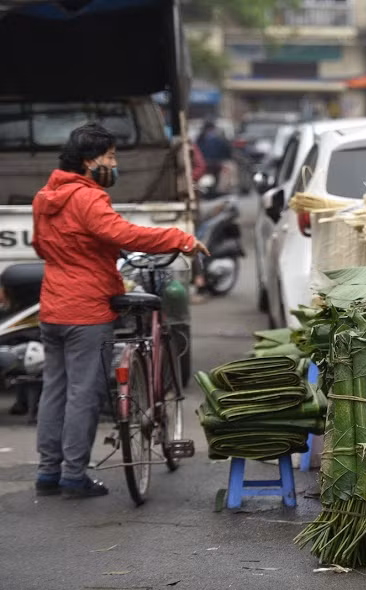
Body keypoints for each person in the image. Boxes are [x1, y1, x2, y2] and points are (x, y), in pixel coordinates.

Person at [32, 123, 209, 499]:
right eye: (110, 156)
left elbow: (42, 246)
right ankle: (74, 476)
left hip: (52, 307)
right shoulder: (87, 198)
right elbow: (124, 234)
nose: (114, 164)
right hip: (86, 311)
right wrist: (179, 238)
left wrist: (84, 253)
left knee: (54, 390)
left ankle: (48, 472)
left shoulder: (45, 196)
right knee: (84, 393)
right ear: (89, 160)